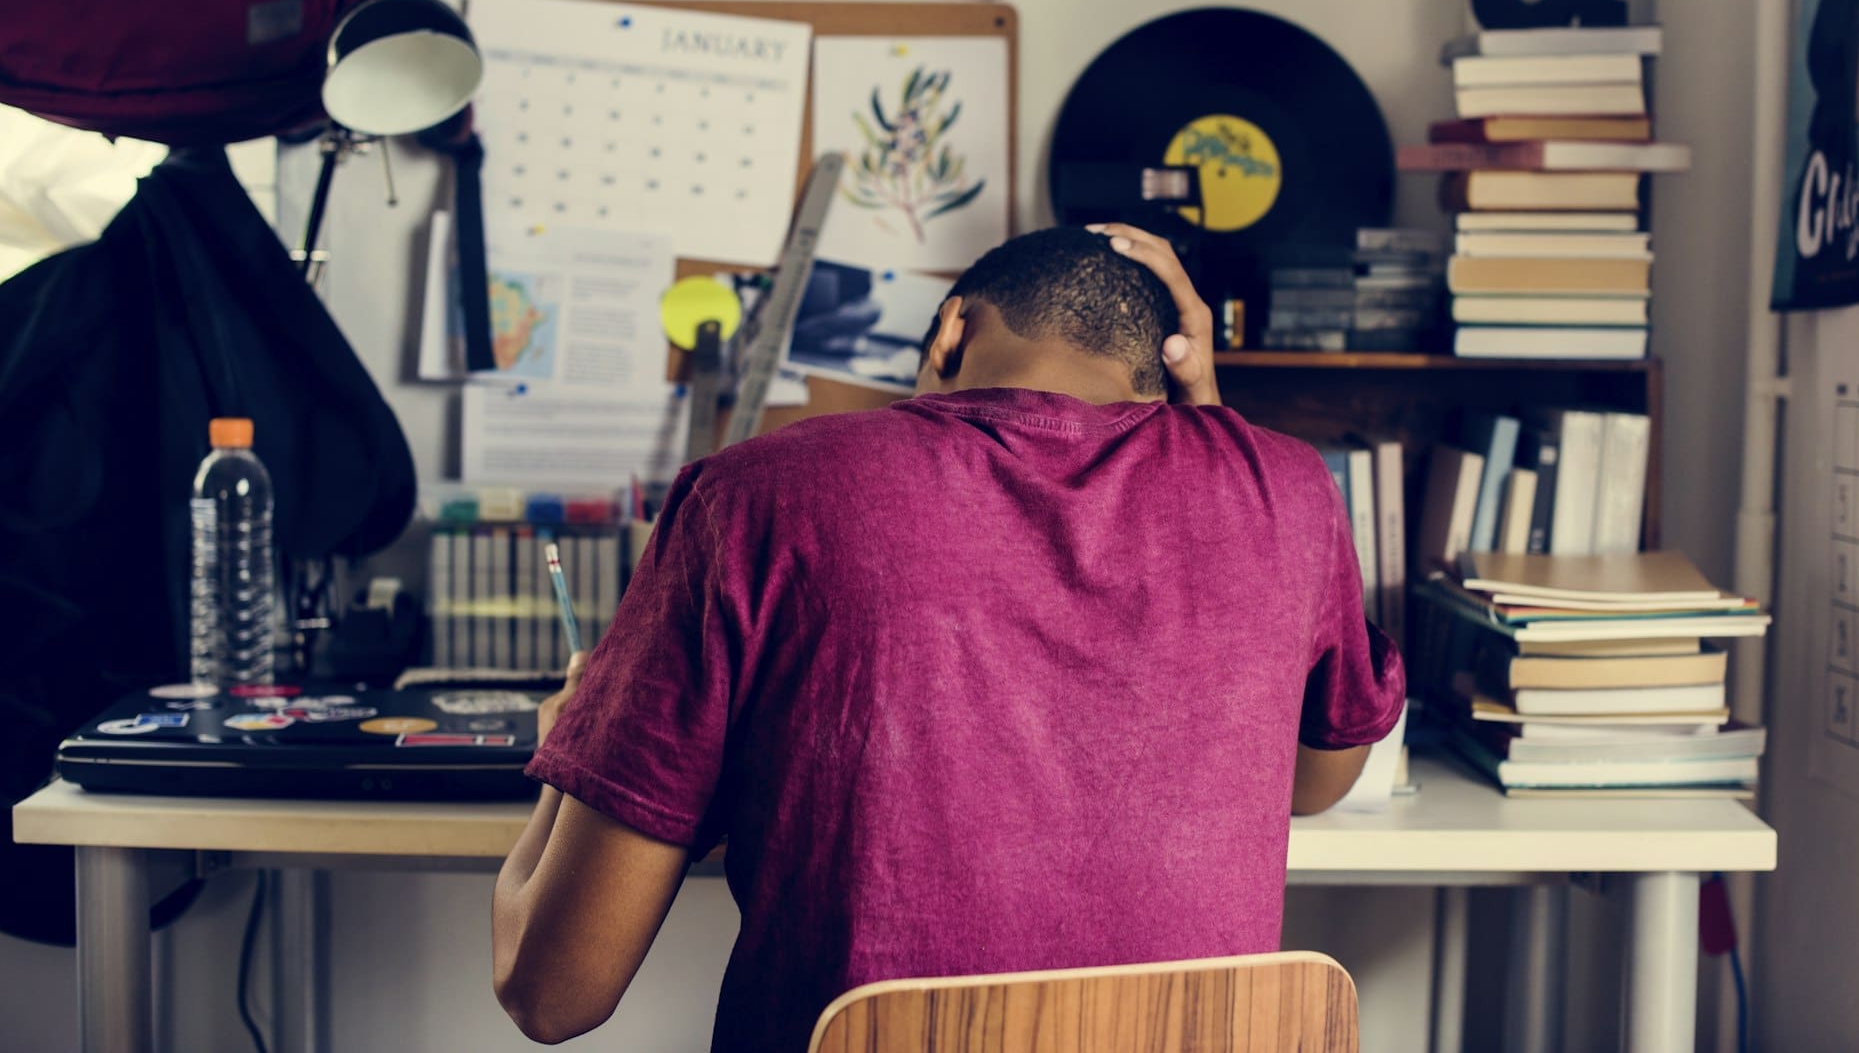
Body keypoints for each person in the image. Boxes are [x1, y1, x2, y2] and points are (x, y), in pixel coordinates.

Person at [491, 225, 1406, 1049]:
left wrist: (577, 736)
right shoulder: (1287, 489)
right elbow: (1315, 781)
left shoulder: (756, 494)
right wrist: (1215, 436)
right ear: (1166, 370)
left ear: (949, 334)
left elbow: (554, 991)